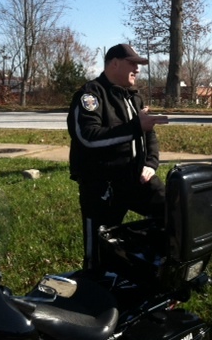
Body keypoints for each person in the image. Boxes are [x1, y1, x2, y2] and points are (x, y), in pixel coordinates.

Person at [67, 43, 168, 273]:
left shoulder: (134, 97)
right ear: (114, 63)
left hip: (137, 179)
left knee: (173, 211)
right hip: (103, 187)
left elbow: (149, 135)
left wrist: (150, 164)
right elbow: (88, 137)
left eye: (138, 65)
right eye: (132, 63)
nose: (137, 69)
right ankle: (95, 283)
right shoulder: (90, 95)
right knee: (98, 249)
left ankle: (156, 268)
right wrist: (135, 127)